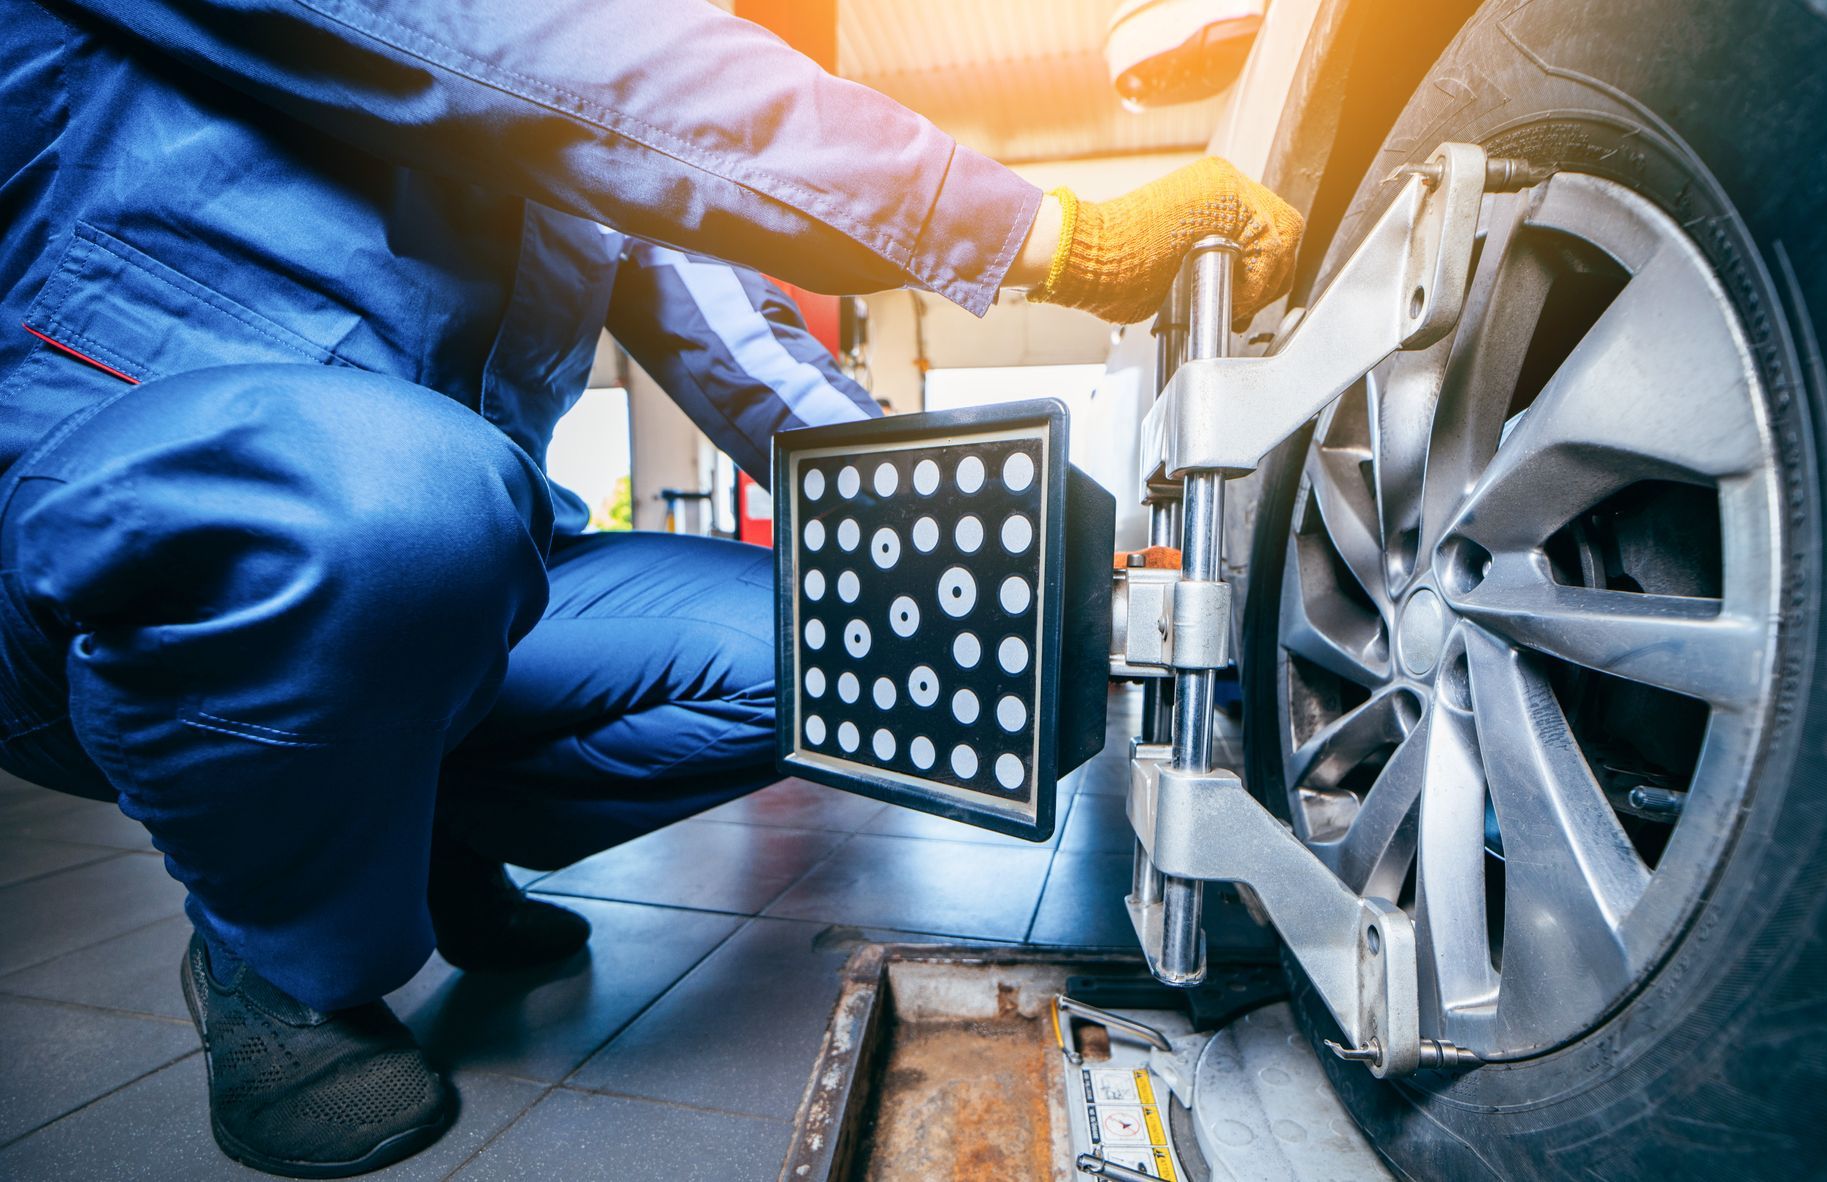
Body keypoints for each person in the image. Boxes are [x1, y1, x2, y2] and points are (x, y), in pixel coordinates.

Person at [0, 0, 1305, 1174]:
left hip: (441, 581)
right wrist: (1037, 230)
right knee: (404, 501)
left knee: (826, 644)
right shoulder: (553, 54)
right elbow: (536, 53)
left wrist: (1002, 568)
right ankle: (274, 959)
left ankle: (417, 829)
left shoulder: (585, 141)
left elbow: (741, 348)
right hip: (121, 560)